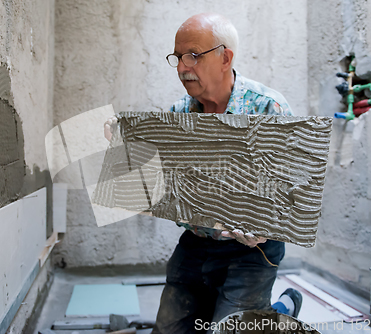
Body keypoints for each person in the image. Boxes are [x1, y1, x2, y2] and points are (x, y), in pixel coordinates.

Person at [104, 13, 302, 334]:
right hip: (197, 244)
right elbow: (162, 191)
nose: (183, 68)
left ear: (225, 58)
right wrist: (126, 150)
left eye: (193, 56)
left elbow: (292, 194)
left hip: (252, 252)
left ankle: (278, 310)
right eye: (178, 57)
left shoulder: (268, 110)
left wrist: (266, 225)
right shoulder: (177, 115)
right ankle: (268, 310)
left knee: (229, 329)